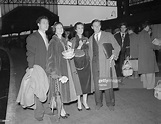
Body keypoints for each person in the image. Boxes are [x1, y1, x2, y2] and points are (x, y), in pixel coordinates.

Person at [46, 22, 79, 119]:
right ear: (55, 30)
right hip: (58, 68)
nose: (60, 29)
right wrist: (53, 72)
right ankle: (61, 111)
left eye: (61, 28)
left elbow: (66, 53)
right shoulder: (53, 42)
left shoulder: (64, 41)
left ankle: (61, 109)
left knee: (62, 91)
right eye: (58, 28)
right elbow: (50, 58)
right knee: (58, 91)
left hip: (66, 67)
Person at [88, 19, 120, 111]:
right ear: (92, 27)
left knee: (107, 83)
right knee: (97, 85)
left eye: (98, 25)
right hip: (94, 65)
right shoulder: (90, 39)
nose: (97, 27)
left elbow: (117, 46)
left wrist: (114, 55)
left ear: (101, 26)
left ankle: (110, 103)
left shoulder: (108, 35)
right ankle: (98, 103)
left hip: (106, 64)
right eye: (95, 26)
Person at [26, 16, 52, 121]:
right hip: (38, 68)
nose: (46, 25)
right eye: (44, 23)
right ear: (38, 24)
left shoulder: (46, 37)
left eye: (47, 23)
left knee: (45, 89)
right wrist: (31, 67)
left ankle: (46, 108)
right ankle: (38, 114)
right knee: (38, 90)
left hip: (46, 67)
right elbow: (30, 53)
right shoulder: (33, 37)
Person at [70, 22, 93, 111]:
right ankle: (79, 102)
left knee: (86, 83)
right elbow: (72, 53)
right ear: (75, 30)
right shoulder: (72, 40)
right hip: (77, 65)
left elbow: (90, 50)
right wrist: (79, 46)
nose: (80, 30)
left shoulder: (86, 39)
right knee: (78, 83)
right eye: (79, 28)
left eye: (82, 28)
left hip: (86, 63)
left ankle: (85, 101)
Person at [138, 21, 161, 89]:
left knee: (145, 72)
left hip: (143, 55)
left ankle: (145, 86)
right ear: (147, 26)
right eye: (149, 27)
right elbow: (149, 45)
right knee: (150, 71)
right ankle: (150, 86)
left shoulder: (140, 34)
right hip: (148, 55)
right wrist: (158, 46)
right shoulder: (145, 34)